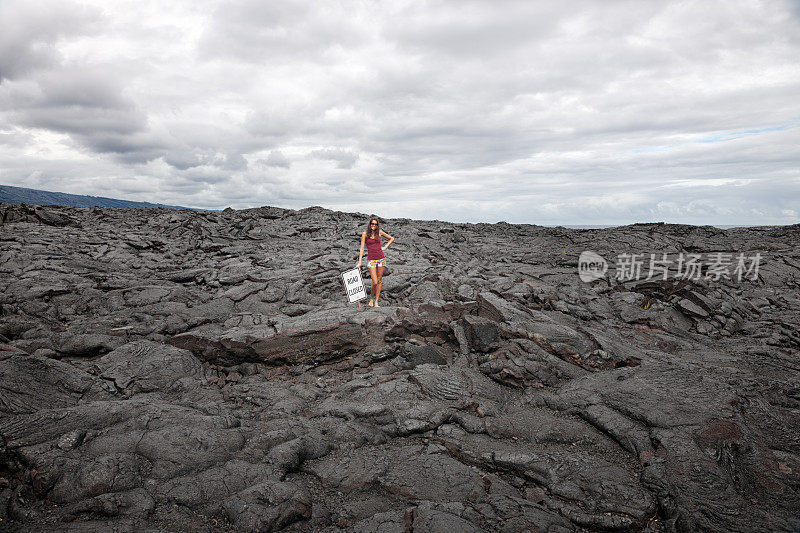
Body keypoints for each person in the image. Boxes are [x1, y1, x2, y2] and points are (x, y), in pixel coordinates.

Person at [356, 216, 394, 307]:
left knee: (379, 280)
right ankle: (371, 299)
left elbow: (391, 238)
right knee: (375, 281)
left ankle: (376, 302)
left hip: (381, 258)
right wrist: (359, 262)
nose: (374, 225)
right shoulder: (365, 234)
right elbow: (361, 249)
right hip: (371, 260)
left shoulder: (379, 232)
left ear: (377, 225)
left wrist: (385, 247)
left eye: (375, 224)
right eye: (372, 224)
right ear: (370, 224)